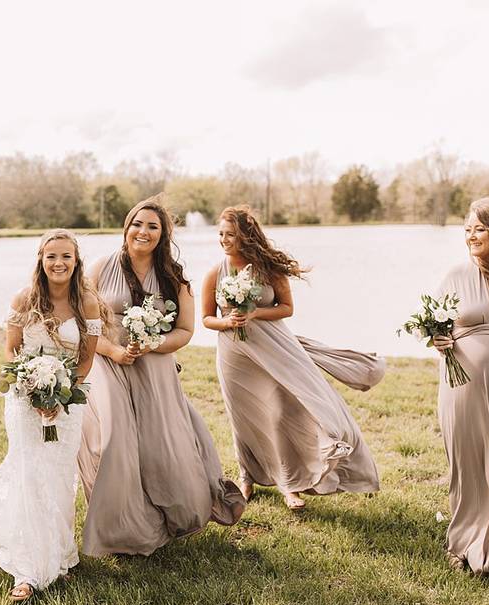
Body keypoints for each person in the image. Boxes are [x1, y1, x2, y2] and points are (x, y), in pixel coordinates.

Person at [77, 196, 245, 557]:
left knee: (160, 444)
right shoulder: (100, 267)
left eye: (153, 226)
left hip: (154, 367)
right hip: (109, 362)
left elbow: (185, 330)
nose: (143, 231)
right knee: (113, 442)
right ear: (127, 227)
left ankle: (173, 508)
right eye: (138, 223)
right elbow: (85, 323)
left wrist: (153, 344)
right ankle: (122, 525)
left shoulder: (173, 276)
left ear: (163, 234)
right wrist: (114, 350)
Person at [201, 204, 383, 510]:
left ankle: (290, 483)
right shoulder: (214, 273)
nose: (223, 240)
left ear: (246, 236)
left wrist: (255, 312)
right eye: (220, 234)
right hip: (235, 354)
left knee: (280, 412)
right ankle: (246, 477)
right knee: (243, 416)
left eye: (230, 234)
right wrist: (228, 321)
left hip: (274, 349)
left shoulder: (268, 269)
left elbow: (286, 308)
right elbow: (206, 319)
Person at [0, 229, 103, 603]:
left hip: (68, 401)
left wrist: (61, 392)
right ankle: (27, 569)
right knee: (28, 471)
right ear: (40, 259)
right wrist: (31, 386)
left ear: (76, 261)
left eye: (66, 257)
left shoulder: (87, 302)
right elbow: (10, 351)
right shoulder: (25, 299)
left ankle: (59, 554)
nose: (58, 263)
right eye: (51, 256)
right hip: (23, 400)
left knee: (58, 475)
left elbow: (86, 358)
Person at [432, 197, 489, 598]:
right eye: (466, 228)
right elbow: (431, 324)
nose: (470, 235)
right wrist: (436, 337)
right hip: (462, 386)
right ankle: (465, 538)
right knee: (468, 466)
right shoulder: (457, 274)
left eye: (478, 228)